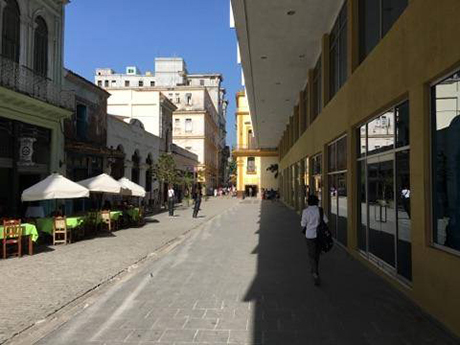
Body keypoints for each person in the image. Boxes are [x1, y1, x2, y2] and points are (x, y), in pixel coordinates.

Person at [300, 194, 328, 286]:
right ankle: (314, 269)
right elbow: (326, 221)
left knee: (311, 255)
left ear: (308, 202)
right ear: (317, 202)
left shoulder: (305, 211)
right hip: (319, 236)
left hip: (310, 236)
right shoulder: (320, 211)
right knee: (317, 254)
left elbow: (303, 224)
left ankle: (315, 273)